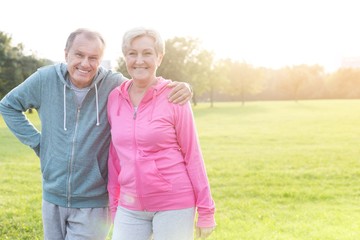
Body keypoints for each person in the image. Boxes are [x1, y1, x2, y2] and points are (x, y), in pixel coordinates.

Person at [0, 28, 192, 240]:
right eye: (79, 55)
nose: (85, 64)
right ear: (66, 54)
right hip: (52, 198)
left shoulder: (113, 85)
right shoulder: (45, 79)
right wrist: (39, 143)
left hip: (94, 203)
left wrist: (184, 87)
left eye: (93, 58)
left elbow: (146, 83)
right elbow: (8, 105)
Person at [107, 27, 216, 240]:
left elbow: (192, 155)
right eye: (132, 53)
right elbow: (114, 156)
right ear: (125, 57)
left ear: (159, 57)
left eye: (147, 53)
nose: (139, 60)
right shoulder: (114, 98)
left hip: (174, 203)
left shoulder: (174, 96)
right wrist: (114, 203)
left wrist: (206, 210)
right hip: (130, 206)